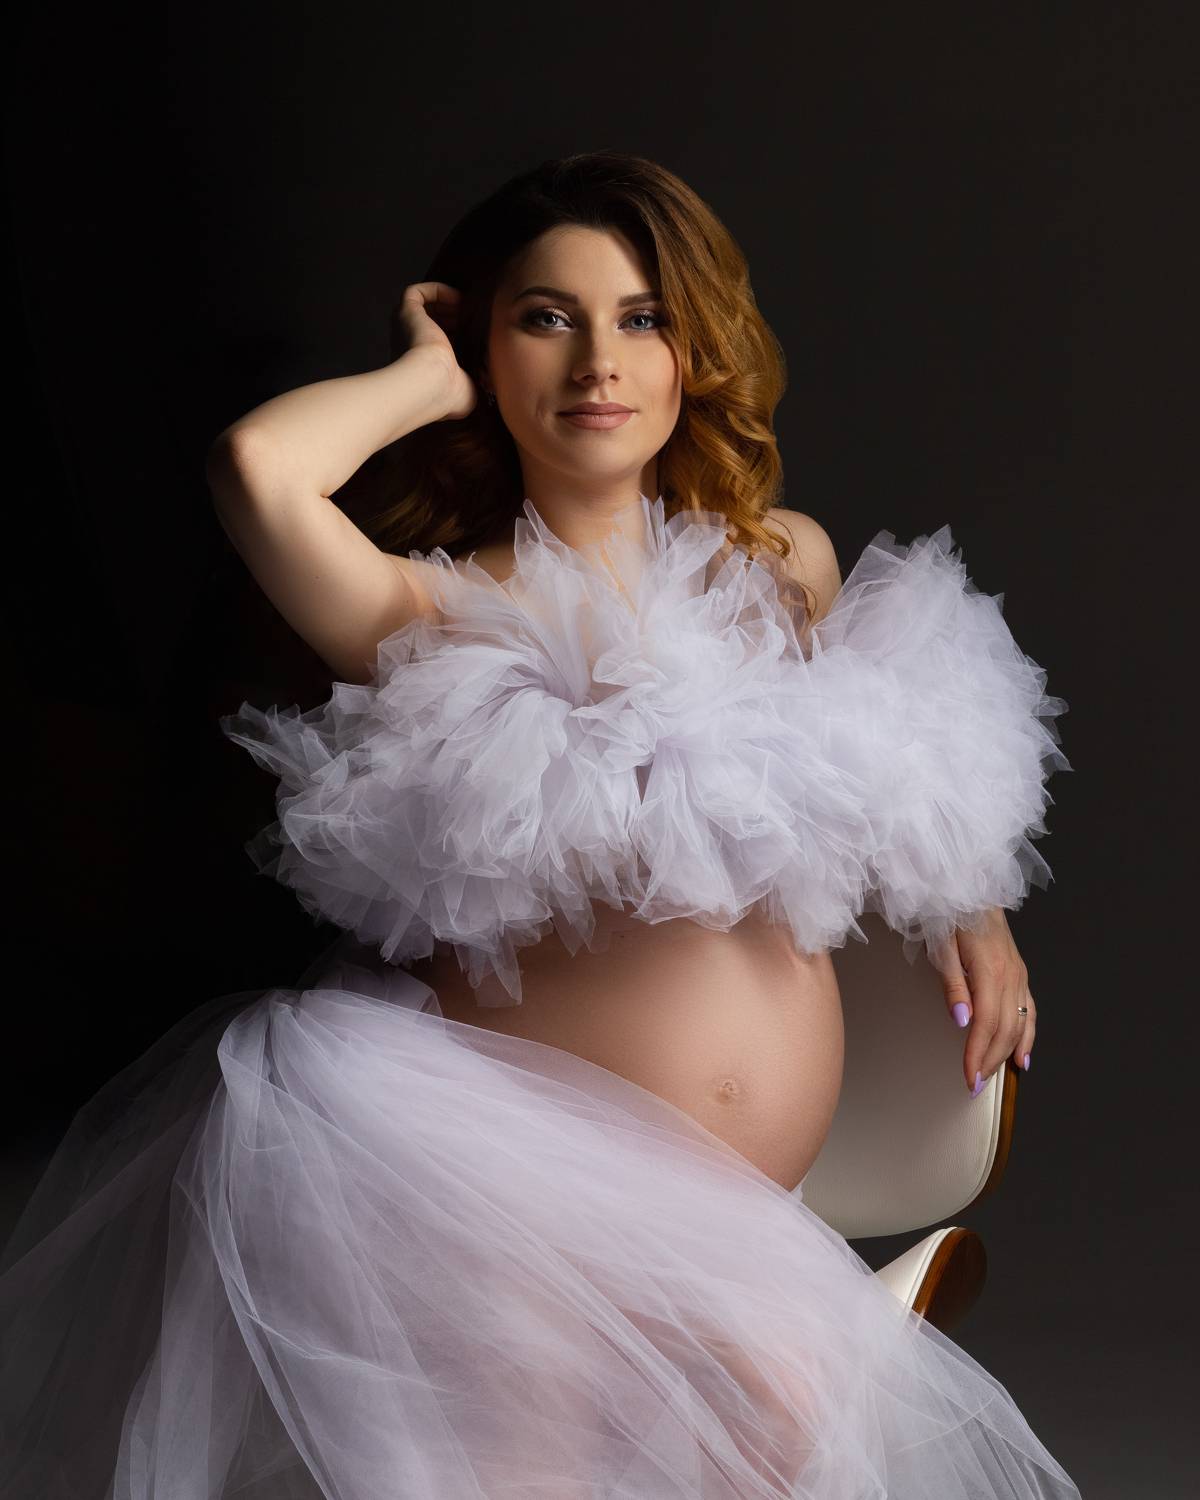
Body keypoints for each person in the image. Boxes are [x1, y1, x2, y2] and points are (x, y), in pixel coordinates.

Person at [0, 151, 1080, 1498]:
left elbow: (902, 749)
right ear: (486, 350)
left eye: (641, 318)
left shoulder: (779, 566)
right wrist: (419, 378)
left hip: (741, 1227)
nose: (597, 363)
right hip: (502, 1198)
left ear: (692, 351)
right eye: (545, 318)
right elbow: (256, 468)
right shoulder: (429, 611)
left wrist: (969, 899)